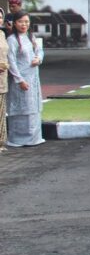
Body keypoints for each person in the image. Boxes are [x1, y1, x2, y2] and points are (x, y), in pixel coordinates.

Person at [6, 11, 45, 148]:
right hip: (21, 80)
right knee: (21, 108)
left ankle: (34, 138)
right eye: (21, 22)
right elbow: (11, 62)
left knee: (33, 106)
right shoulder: (12, 40)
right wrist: (19, 80)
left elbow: (39, 50)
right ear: (15, 23)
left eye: (26, 22)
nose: (24, 24)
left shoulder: (30, 36)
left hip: (33, 78)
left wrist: (38, 58)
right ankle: (18, 138)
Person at [0, 24, 8, 152]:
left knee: (1, 112)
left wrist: (7, 65)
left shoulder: (2, 34)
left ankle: (1, 142)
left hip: (2, 78)